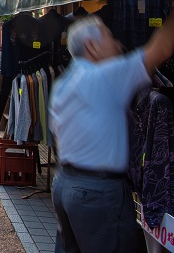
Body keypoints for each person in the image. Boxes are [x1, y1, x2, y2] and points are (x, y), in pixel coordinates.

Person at [50, 13, 174, 252]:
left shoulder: (63, 84)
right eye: (109, 37)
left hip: (65, 185)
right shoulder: (106, 76)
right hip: (97, 193)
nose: (117, 43)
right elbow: (161, 48)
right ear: (92, 46)